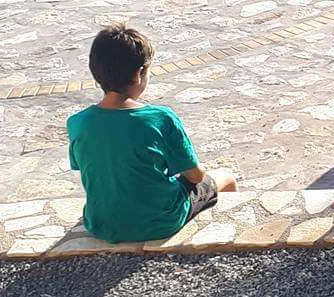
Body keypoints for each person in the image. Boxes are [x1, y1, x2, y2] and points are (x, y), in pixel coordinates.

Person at [67, 22, 235, 243]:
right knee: (225, 177)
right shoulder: (160, 118)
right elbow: (195, 176)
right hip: (161, 221)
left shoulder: (77, 123)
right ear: (139, 74)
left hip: (100, 224)